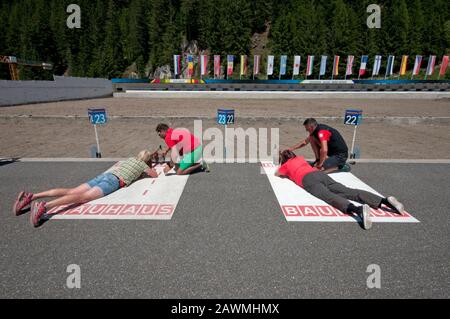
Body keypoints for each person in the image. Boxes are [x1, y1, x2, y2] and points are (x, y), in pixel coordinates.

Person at [13, 150, 159, 227]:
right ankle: (44, 206)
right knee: (84, 198)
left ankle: (32, 196)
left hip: (106, 175)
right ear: (146, 159)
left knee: (72, 191)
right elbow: (155, 175)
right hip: (113, 181)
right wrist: (149, 166)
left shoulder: (130, 159)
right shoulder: (143, 165)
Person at [275, 150, 405, 230]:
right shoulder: (301, 158)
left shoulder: (285, 166)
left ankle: (358, 210)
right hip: (319, 174)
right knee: (347, 190)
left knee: (328, 196)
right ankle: (384, 201)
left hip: (307, 180)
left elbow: (277, 173)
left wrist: (282, 163)